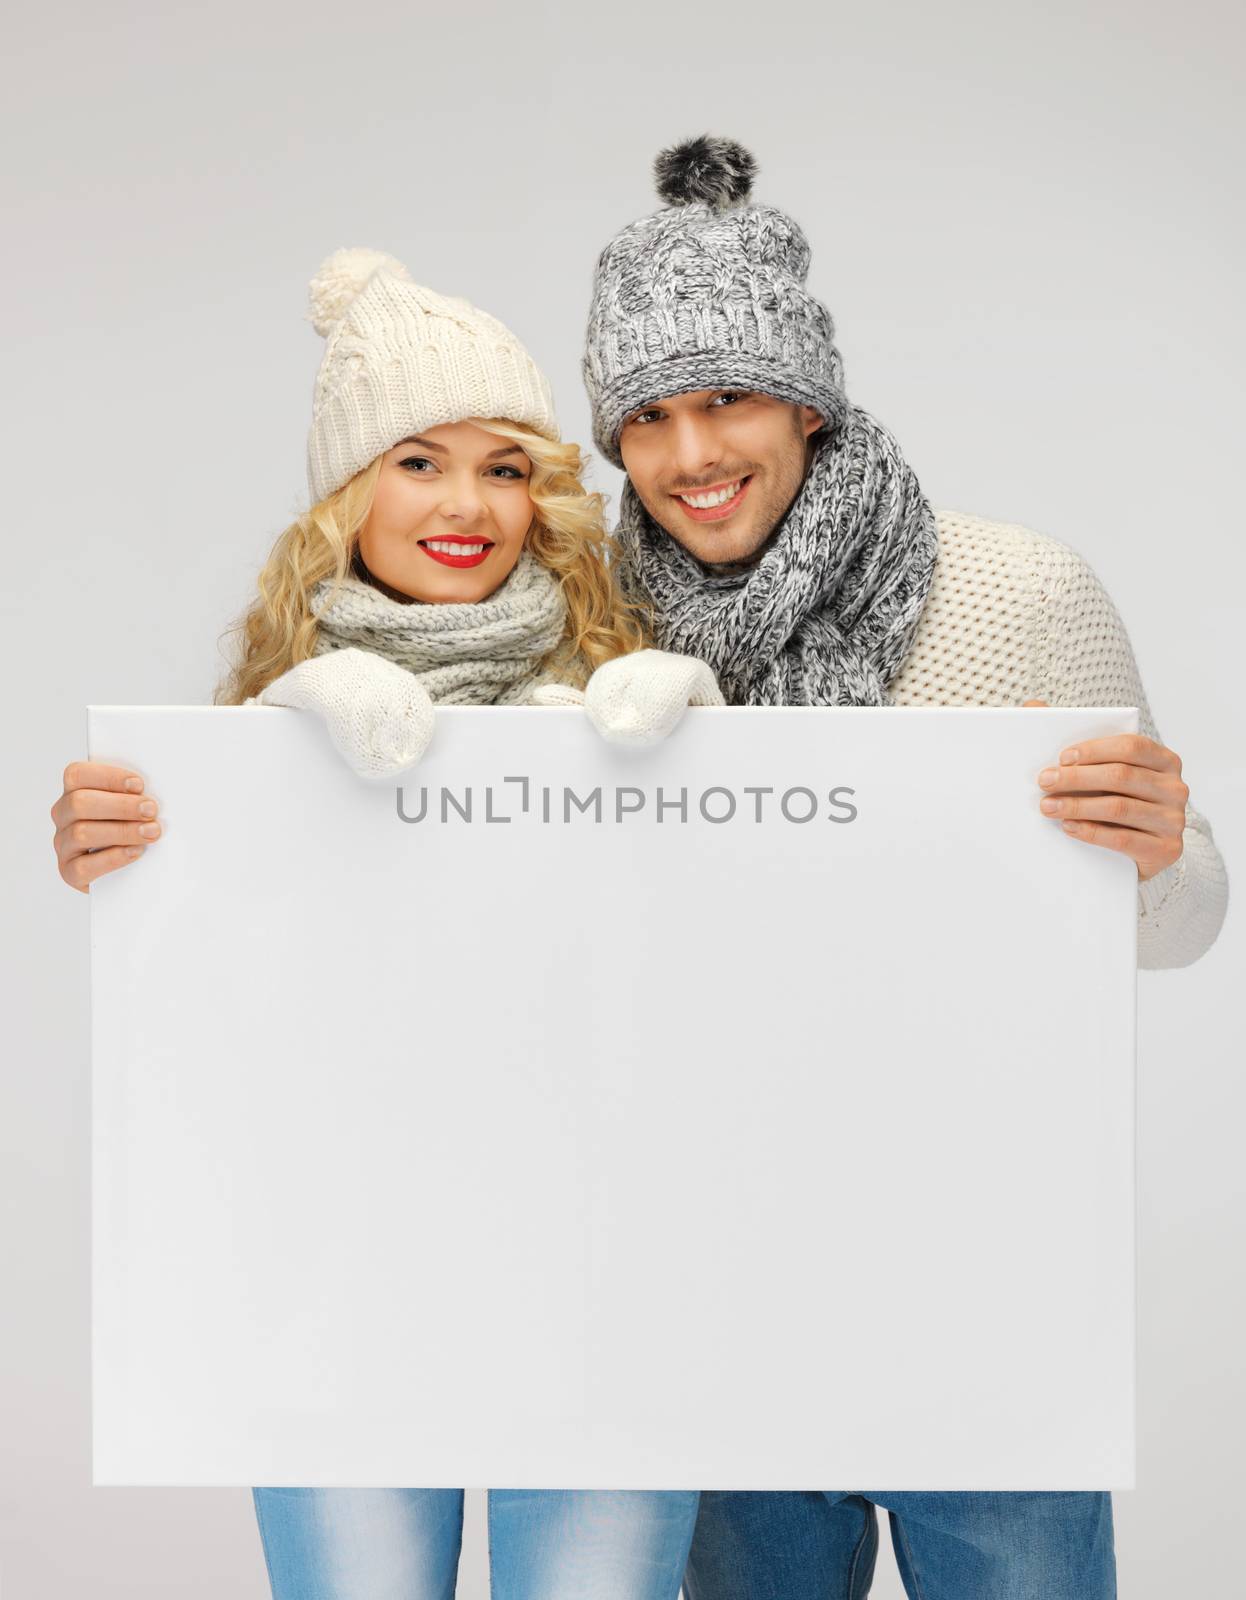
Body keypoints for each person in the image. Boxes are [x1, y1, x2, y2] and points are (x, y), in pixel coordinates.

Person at [571, 134, 1230, 1600]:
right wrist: (157, 832)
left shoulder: (1017, 587)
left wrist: (1148, 853)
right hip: (714, 1291)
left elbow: (1180, 917)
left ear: (807, 401)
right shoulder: (591, 632)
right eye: (648, 416)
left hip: (981, 1281)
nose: (691, 458)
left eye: (728, 397)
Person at [50, 246, 717, 1599]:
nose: (464, 504)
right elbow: (213, 1024)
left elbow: (715, 1000)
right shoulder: (245, 747)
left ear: (546, 500)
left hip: (602, 1289)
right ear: (346, 495)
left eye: (505, 466)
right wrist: (135, 839)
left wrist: (709, 771)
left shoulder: (623, 706)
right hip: (337, 1288)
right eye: (417, 461)